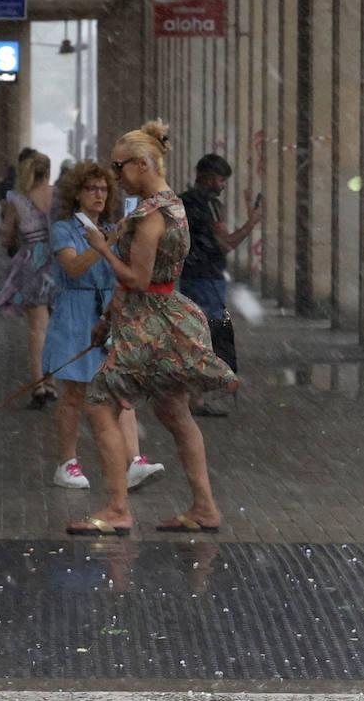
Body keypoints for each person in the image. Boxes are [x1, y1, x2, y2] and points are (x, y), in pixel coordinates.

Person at [66, 120, 238, 537]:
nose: (116, 177)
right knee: (174, 412)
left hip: (150, 324)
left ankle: (118, 508)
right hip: (166, 317)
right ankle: (205, 507)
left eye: (120, 167)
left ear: (143, 163)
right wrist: (108, 317)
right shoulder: (171, 203)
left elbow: (139, 279)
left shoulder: (150, 215)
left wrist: (103, 248)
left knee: (100, 405)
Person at [42, 160, 166, 492]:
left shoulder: (112, 228)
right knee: (75, 393)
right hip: (75, 311)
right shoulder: (64, 229)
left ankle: (134, 462)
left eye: (103, 189)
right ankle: (67, 462)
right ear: (77, 193)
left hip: (108, 312)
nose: (99, 195)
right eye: (91, 189)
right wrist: (107, 244)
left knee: (120, 390)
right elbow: (75, 267)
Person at [179, 152, 263, 416]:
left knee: (193, 337)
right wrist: (251, 222)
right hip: (209, 279)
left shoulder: (182, 201)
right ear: (208, 178)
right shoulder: (212, 205)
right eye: (220, 179)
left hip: (189, 276)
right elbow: (225, 244)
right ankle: (194, 400)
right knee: (207, 338)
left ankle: (190, 398)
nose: (222, 185)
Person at [0, 150, 58, 408]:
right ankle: (52, 381)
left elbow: (6, 237)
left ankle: (38, 385)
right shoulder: (60, 197)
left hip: (32, 266)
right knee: (56, 328)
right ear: (48, 172)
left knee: (37, 330)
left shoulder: (17, 200)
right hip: (60, 264)